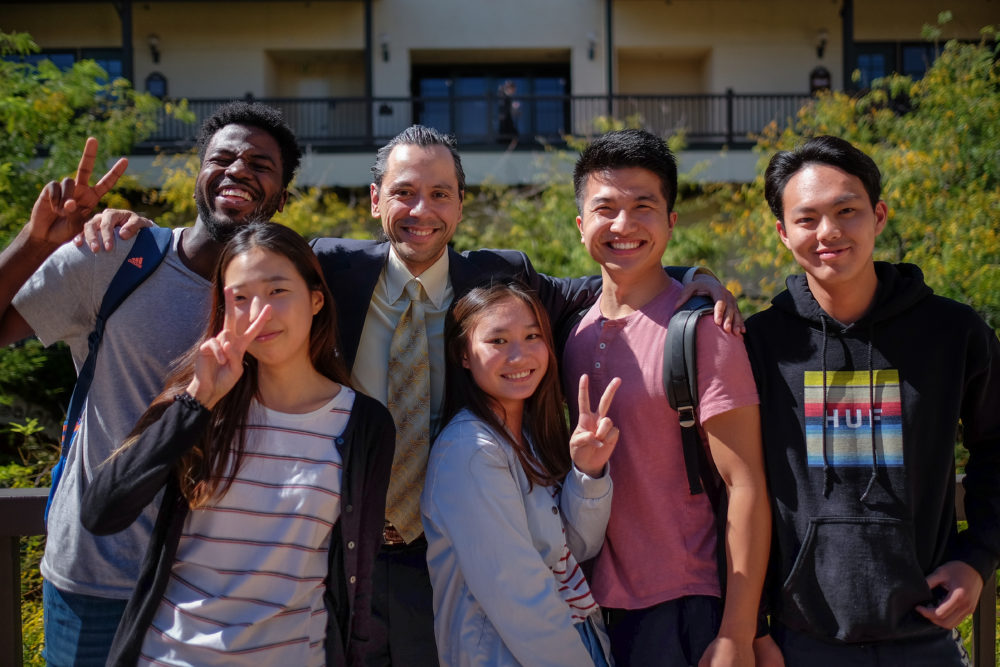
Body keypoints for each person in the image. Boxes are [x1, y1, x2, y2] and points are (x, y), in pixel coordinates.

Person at [91, 123, 741, 665]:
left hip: (441, 559)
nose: (421, 211)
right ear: (376, 199)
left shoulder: (497, 276)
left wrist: (694, 278)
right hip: (338, 560)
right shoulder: (331, 271)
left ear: (461, 204)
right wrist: (141, 235)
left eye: (439, 193)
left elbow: (592, 284)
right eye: (404, 193)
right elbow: (245, 262)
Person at [0, 101, 301, 666]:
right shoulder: (110, 256)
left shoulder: (288, 298)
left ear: (281, 199)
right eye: (224, 157)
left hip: (219, 590)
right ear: (199, 176)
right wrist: (37, 242)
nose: (239, 169)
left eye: (261, 165)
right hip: (96, 580)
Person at [79, 221, 394, 666]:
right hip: (170, 657)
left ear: (316, 299)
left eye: (277, 291)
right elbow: (101, 512)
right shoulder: (200, 406)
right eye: (240, 299)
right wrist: (198, 403)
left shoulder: (365, 425)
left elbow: (361, 579)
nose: (258, 312)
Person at [745, 135, 1000, 666]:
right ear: (783, 232)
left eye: (847, 211)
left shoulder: (953, 332)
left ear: (878, 216)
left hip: (925, 632)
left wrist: (978, 557)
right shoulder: (761, 344)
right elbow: (732, 487)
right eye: (807, 218)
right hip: (800, 639)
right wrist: (754, 624)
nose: (829, 233)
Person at [562, 129, 770, 667]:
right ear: (581, 223)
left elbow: (744, 483)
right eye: (605, 208)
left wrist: (737, 633)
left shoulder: (704, 330)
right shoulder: (569, 331)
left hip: (684, 606)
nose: (623, 225)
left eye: (643, 207)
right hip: (588, 606)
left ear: (671, 222)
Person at [422, 280, 620, 666]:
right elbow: (517, 594)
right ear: (463, 354)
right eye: (497, 341)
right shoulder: (470, 451)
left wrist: (587, 472)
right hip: (511, 651)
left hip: (573, 633)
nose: (520, 355)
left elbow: (574, 550)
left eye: (532, 336)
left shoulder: (528, 436)